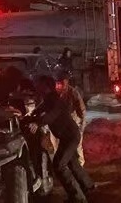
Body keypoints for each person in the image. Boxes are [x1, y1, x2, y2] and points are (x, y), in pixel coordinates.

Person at [28, 71, 94, 203]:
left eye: (40, 85)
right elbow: (40, 110)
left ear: (46, 87)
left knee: (59, 165)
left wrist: (38, 122)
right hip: (67, 137)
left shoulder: (55, 99)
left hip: (70, 137)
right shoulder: (49, 99)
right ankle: (88, 187)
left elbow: (52, 115)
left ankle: (78, 198)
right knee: (72, 163)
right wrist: (30, 117)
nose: (37, 87)